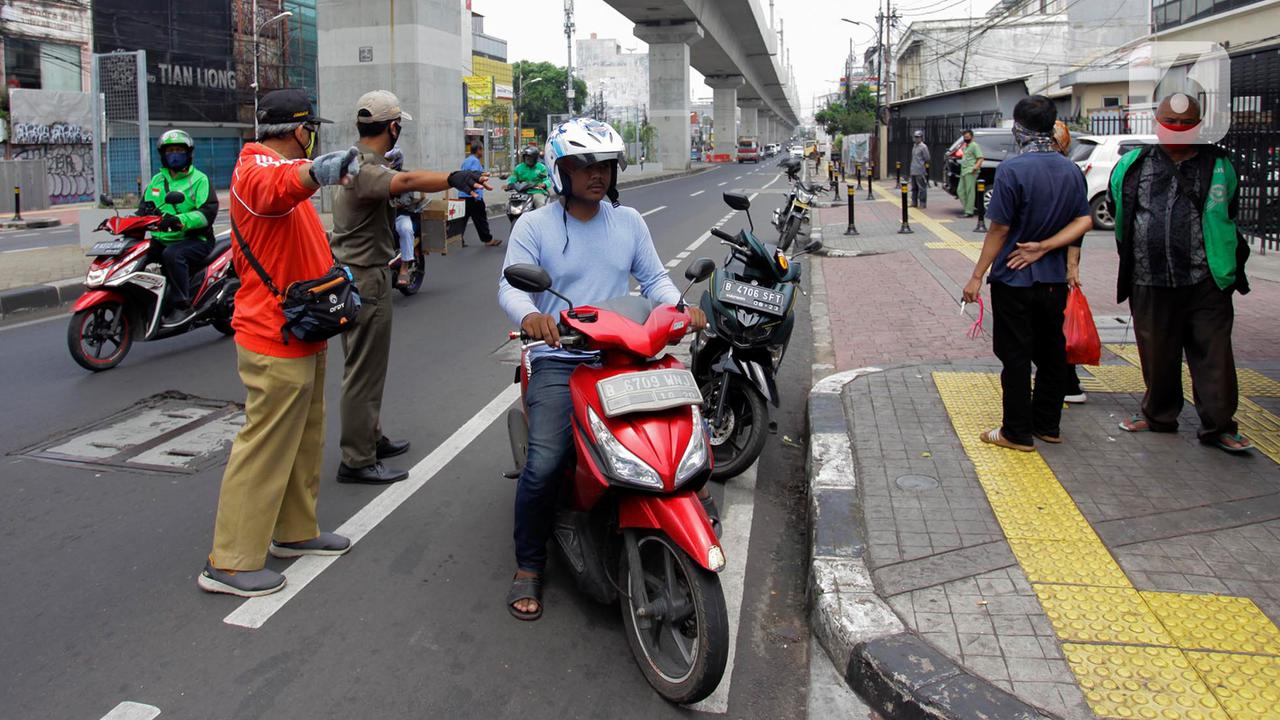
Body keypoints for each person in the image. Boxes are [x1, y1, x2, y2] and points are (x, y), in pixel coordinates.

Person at [497, 118, 712, 621]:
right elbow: (511, 286)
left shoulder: (628, 221)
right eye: (584, 165)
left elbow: (654, 279)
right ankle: (529, 564)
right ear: (560, 170)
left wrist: (680, 308)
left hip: (624, 351)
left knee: (683, 430)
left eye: (606, 166)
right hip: (561, 356)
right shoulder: (535, 226)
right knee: (545, 462)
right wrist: (530, 317)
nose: (597, 175)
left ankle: (690, 506)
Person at [199, 89, 362, 597]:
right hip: (273, 334)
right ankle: (229, 561)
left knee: (304, 439)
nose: (313, 139)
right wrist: (315, 172)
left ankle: (294, 530)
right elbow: (276, 186)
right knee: (265, 446)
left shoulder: (284, 171)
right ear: (300, 130)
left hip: (304, 328)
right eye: (311, 130)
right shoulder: (256, 170)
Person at [330, 90, 491, 485]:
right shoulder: (365, 169)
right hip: (365, 277)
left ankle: (370, 438)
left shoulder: (354, 161)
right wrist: (452, 178)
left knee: (369, 367)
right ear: (393, 127)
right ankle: (357, 458)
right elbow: (405, 180)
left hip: (360, 274)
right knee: (363, 371)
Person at [1112, 93, 1253, 453]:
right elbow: (1120, 210)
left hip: (1206, 279)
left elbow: (1229, 210)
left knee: (1213, 354)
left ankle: (1219, 426)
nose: (1177, 128)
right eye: (1170, 122)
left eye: (1186, 123)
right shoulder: (1133, 164)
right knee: (1156, 353)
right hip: (1149, 277)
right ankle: (1158, 415)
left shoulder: (1219, 164)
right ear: (1156, 123)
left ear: (1199, 126)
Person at [961, 95, 1093, 452]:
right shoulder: (1070, 170)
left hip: (1014, 278)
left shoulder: (1012, 170)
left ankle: (1016, 432)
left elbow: (999, 230)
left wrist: (977, 275)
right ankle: (1047, 425)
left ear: (1018, 128)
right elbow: (1084, 220)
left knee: (1015, 355)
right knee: (1051, 352)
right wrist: (1047, 247)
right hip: (1053, 281)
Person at [139, 129, 218, 326]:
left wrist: (178, 220)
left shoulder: (199, 179)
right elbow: (143, 209)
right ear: (163, 154)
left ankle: (182, 305)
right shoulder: (157, 181)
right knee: (137, 254)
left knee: (172, 255)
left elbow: (207, 213)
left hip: (195, 239)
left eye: (179, 150)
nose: (174, 155)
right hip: (162, 238)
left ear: (188, 153)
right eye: (170, 151)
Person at [1051, 119, 1088, 405]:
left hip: (1054, 259)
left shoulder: (1070, 172)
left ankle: (1067, 383)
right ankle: (1063, 381)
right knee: (1054, 322)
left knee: (1057, 324)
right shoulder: (1067, 170)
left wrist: (1072, 265)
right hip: (1053, 258)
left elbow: (1080, 220)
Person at [384, 147, 421, 287]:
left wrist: (389, 204)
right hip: (382, 216)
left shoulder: (405, 176)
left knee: (406, 229)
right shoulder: (379, 175)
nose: (388, 163)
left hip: (399, 215)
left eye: (390, 160)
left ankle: (404, 267)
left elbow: (405, 200)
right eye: (386, 160)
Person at [458, 142, 497, 246]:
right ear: (478, 150)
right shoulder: (475, 161)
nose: (482, 152)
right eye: (482, 150)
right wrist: (486, 185)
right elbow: (475, 176)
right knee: (481, 219)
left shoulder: (466, 161)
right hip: (473, 196)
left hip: (463, 194)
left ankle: (458, 239)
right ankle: (488, 240)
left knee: (462, 220)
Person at [957, 129, 984, 217]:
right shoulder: (966, 146)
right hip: (964, 171)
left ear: (972, 137)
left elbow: (980, 158)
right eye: (965, 137)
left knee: (969, 191)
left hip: (971, 171)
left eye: (967, 137)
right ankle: (968, 209)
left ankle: (969, 211)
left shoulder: (974, 145)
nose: (966, 139)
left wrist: (975, 167)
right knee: (960, 191)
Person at [909, 130, 930, 209]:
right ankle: (914, 202)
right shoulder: (914, 146)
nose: (916, 138)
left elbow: (927, 158)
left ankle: (922, 203)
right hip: (913, 170)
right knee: (914, 188)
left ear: (921, 138)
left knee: (922, 188)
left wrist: (922, 165)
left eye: (918, 137)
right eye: (915, 137)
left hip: (920, 170)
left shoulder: (923, 147)